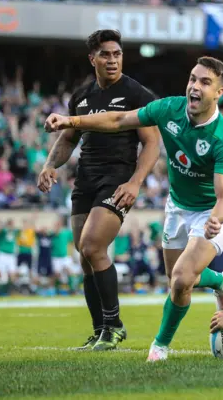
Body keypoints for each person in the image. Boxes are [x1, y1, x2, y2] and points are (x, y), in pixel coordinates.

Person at [44, 56, 223, 362]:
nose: (195, 86)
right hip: (177, 206)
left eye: (205, 82)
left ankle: (159, 347)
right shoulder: (169, 108)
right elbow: (119, 120)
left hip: (209, 210)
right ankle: (220, 280)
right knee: (176, 281)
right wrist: (71, 121)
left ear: (219, 92)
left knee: (181, 278)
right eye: (192, 78)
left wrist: (216, 219)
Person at [37, 29, 161, 350]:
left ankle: (115, 325)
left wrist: (135, 182)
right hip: (86, 180)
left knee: (93, 246)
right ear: (92, 58)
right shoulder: (81, 97)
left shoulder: (136, 94)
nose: (112, 60)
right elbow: (67, 139)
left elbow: (150, 145)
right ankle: (100, 331)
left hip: (117, 179)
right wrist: (51, 165)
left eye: (117, 54)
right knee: (84, 255)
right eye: (105, 54)